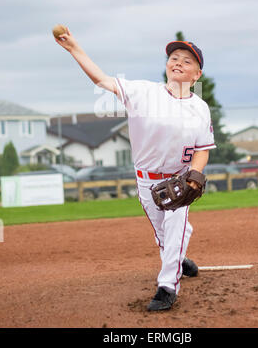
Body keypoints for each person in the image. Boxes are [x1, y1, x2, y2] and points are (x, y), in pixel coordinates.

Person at [55, 29, 216, 311]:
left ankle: (167, 287)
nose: (178, 61)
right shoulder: (143, 92)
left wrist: (195, 176)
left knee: (176, 226)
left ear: (197, 75)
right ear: (167, 65)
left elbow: (203, 147)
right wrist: (74, 48)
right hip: (147, 183)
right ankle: (178, 259)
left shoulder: (200, 108)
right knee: (166, 238)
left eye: (187, 61)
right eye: (174, 57)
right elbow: (101, 79)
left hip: (179, 179)